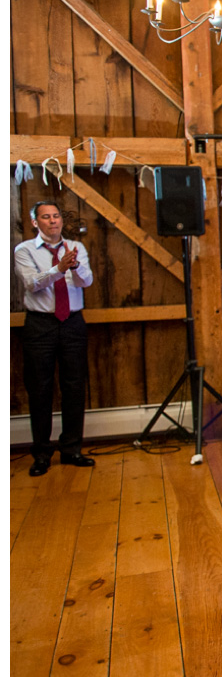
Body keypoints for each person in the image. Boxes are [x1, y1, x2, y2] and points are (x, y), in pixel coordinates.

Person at [13, 201, 96, 477]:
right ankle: (41, 453)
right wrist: (58, 268)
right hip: (41, 324)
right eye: (46, 217)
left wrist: (74, 268)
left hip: (72, 322)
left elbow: (86, 282)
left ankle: (71, 449)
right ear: (36, 222)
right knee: (40, 388)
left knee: (74, 386)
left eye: (56, 216)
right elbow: (32, 283)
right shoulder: (24, 250)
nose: (53, 221)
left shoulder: (76, 247)